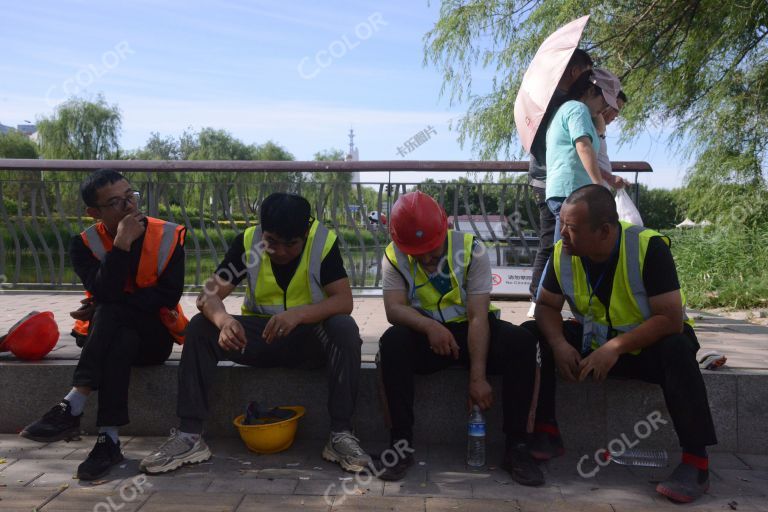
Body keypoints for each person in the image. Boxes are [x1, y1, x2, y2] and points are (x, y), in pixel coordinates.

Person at [139, 192, 371, 474]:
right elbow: (207, 297)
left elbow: (343, 301)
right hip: (258, 340)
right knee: (201, 326)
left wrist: (298, 315)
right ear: (263, 232)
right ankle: (189, 436)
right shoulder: (250, 243)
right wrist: (224, 321)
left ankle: (340, 435)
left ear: (306, 232)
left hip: (308, 340)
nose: (281, 251)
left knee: (344, 328)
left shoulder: (322, 242)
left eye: (291, 244)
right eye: (272, 242)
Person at [522, 184, 717, 503]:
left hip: (642, 350)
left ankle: (696, 462)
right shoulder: (564, 252)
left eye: (571, 228)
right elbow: (545, 306)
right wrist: (558, 344)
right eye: (562, 225)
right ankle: (545, 432)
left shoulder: (648, 247)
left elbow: (670, 319)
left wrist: (614, 349)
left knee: (678, 347)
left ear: (604, 231)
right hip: (593, 345)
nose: (562, 234)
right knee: (530, 334)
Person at [20, 169, 187, 481]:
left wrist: (110, 302)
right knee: (118, 335)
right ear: (94, 212)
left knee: (110, 310)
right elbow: (105, 290)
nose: (128, 206)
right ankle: (107, 438)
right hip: (112, 337)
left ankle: (74, 403)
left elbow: (166, 295)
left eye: (129, 196)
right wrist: (121, 243)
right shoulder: (83, 244)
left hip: (154, 337)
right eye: (115, 202)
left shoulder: (167, 235)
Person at [377, 191, 543, 486]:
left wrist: (477, 378)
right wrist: (429, 327)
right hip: (426, 336)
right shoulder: (393, 255)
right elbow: (394, 309)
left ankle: (517, 447)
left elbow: (479, 316)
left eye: (433, 249)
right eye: (418, 252)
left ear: (445, 229)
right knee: (392, 343)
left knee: (522, 343)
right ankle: (400, 446)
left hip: (473, 331)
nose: (427, 258)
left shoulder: (472, 249)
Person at [528, 48, 593, 317]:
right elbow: (576, 144)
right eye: (589, 72)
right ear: (576, 71)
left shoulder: (546, 101)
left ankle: (540, 301)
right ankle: (543, 301)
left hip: (545, 180)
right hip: (553, 181)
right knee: (558, 246)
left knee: (553, 244)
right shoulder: (565, 104)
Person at [545, 69, 627, 244]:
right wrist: (599, 186)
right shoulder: (577, 108)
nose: (606, 108)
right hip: (571, 192)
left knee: (567, 254)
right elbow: (583, 146)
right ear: (590, 91)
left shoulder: (573, 110)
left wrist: (598, 120)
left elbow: (593, 139)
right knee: (566, 257)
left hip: (569, 191)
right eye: (604, 101)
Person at [594, 90, 629, 188]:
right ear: (606, 104)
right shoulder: (590, 126)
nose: (617, 115)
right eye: (616, 109)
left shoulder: (599, 129)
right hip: (590, 192)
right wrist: (610, 178)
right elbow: (583, 159)